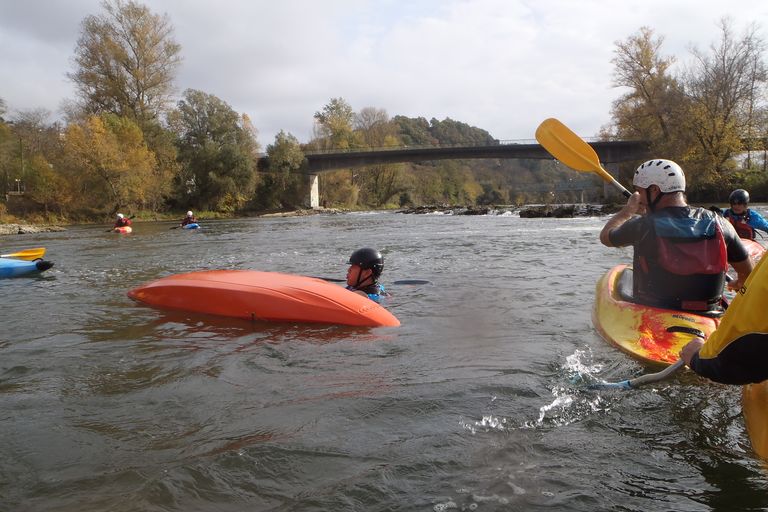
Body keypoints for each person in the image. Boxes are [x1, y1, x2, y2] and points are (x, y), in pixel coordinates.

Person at [599, 159, 753, 312]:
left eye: (639, 191)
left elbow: (606, 237)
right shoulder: (720, 222)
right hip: (708, 314)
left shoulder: (643, 225)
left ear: (654, 190)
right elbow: (747, 272)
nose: (638, 197)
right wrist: (738, 283)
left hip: (653, 312)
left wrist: (628, 211)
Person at [680, 253, 768, 384]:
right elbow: (745, 271)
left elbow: (740, 360)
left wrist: (699, 359)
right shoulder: (725, 231)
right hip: (712, 310)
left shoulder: (646, 231)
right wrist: (742, 282)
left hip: (661, 305)